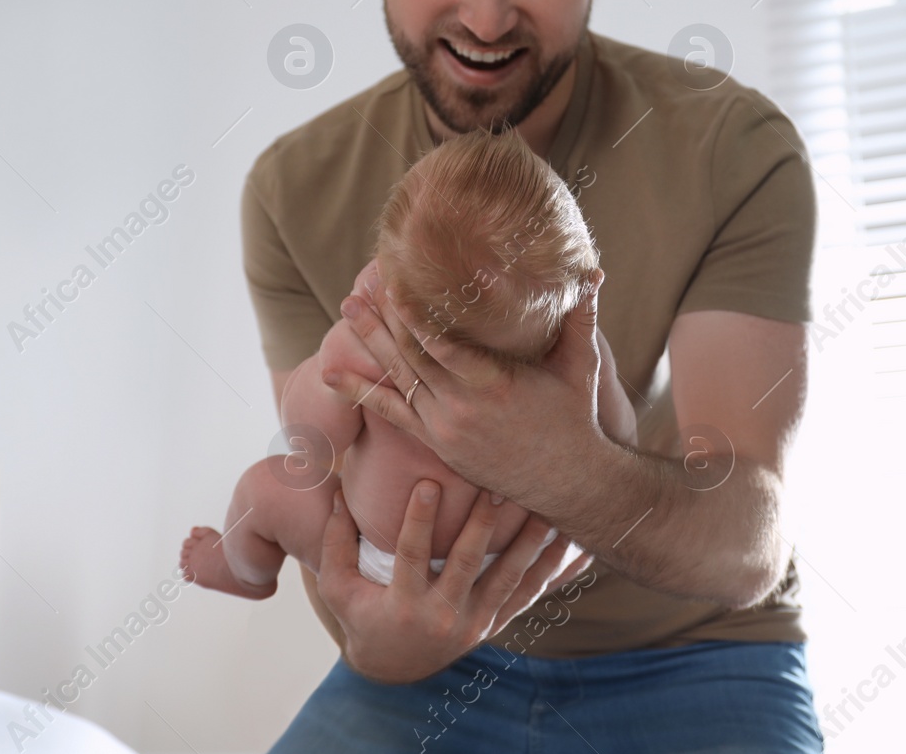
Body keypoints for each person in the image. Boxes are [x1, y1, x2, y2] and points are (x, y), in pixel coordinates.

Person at [236, 0, 828, 754]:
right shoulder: (291, 189)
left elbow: (750, 539)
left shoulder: (733, 150)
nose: (487, 13)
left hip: (700, 655)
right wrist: (371, 637)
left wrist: (558, 459)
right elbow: (316, 478)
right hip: (424, 676)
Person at [180, 127, 639, 598]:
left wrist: (331, 363)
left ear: (388, 282)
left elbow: (309, 447)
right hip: (526, 550)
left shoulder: (364, 349)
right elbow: (621, 439)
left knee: (265, 489)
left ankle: (245, 573)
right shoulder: (575, 344)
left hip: (391, 567)